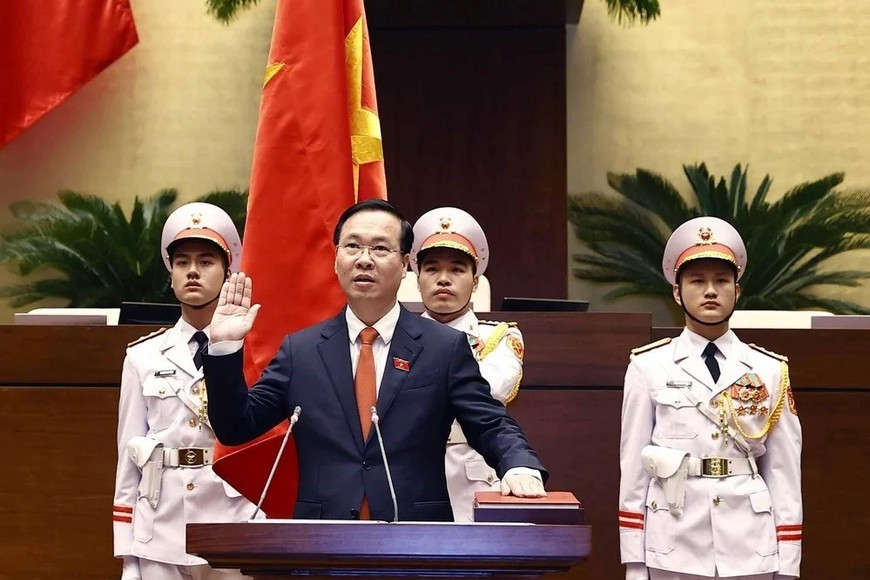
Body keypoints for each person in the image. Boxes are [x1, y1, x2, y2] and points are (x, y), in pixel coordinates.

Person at [203, 199, 547, 522]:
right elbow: (236, 427)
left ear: (405, 264)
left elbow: (490, 424)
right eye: (352, 246)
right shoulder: (301, 351)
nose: (364, 259)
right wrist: (223, 348)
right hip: (321, 542)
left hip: (416, 542)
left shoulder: (443, 347)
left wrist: (519, 466)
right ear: (336, 258)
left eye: (380, 248)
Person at [618, 217, 802, 580]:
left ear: (737, 289)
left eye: (721, 281)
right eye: (697, 281)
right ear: (676, 292)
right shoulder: (648, 365)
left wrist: (789, 561)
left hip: (750, 542)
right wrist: (634, 562)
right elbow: (634, 470)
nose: (710, 291)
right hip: (673, 538)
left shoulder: (768, 369)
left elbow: (784, 471)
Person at [112, 203, 256, 580]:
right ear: (170, 274)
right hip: (159, 525)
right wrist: (127, 553)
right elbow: (129, 454)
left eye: (206, 261)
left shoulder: (255, 350)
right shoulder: (142, 355)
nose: (192, 271)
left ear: (228, 271)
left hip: (233, 520)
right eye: (182, 262)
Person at [410, 207, 525, 522]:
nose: (444, 279)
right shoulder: (394, 336)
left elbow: (490, 392)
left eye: (457, 270)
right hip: (410, 474)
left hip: (473, 478)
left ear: (475, 282)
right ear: (417, 278)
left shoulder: (499, 337)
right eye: (432, 269)